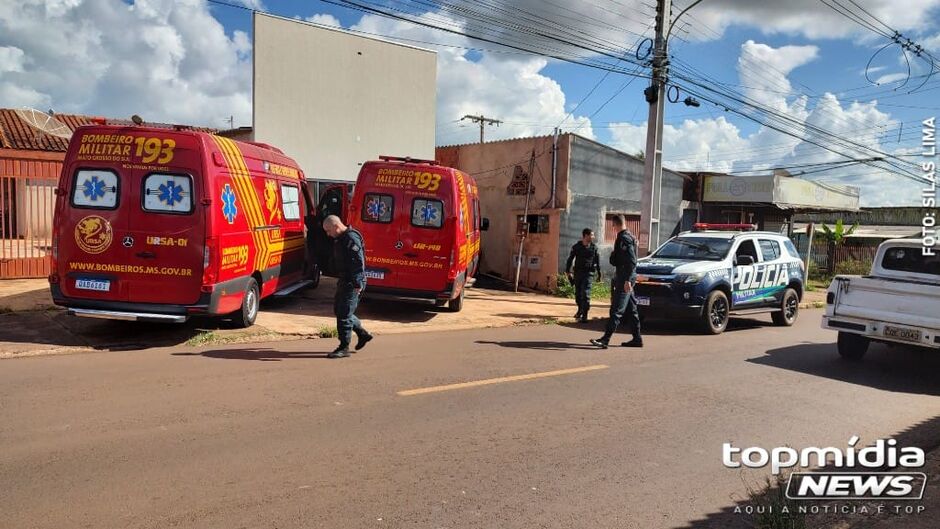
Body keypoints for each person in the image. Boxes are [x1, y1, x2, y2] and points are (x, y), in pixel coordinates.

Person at [322, 215, 373, 358]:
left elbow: (358, 263)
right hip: (345, 280)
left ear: (336, 226)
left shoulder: (350, 239)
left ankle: (344, 347)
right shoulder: (341, 238)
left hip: (352, 282)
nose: (328, 234)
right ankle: (363, 334)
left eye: (328, 230)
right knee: (340, 310)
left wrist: (357, 283)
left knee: (344, 314)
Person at [590, 215, 643, 349]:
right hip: (626, 277)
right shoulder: (628, 236)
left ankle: (605, 339)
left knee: (616, 310)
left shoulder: (624, 238)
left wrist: (627, 280)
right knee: (632, 310)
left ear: (614, 225)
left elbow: (632, 261)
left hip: (625, 278)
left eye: (612, 226)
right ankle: (637, 339)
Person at [565, 228, 601, 323]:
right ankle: (580, 309)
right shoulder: (577, 247)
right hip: (578, 273)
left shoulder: (594, 248)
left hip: (589, 273)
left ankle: (585, 315)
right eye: (592, 235)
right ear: (585, 235)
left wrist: (599, 274)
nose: (593, 237)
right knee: (578, 294)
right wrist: (568, 271)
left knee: (585, 294)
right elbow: (570, 259)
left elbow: (597, 261)